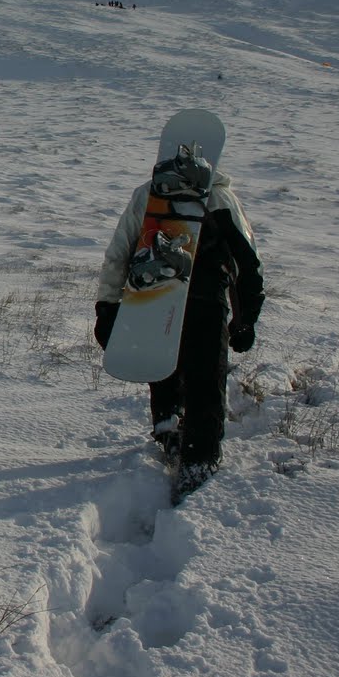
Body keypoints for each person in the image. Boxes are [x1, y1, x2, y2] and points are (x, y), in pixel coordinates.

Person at [94, 147, 264, 499]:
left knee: (163, 367)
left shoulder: (149, 194)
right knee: (206, 379)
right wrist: (246, 317)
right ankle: (198, 461)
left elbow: (118, 253)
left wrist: (108, 305)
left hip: (157, 299)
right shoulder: (221, 197)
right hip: (207, 302)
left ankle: (170, 431)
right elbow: (248, 263)